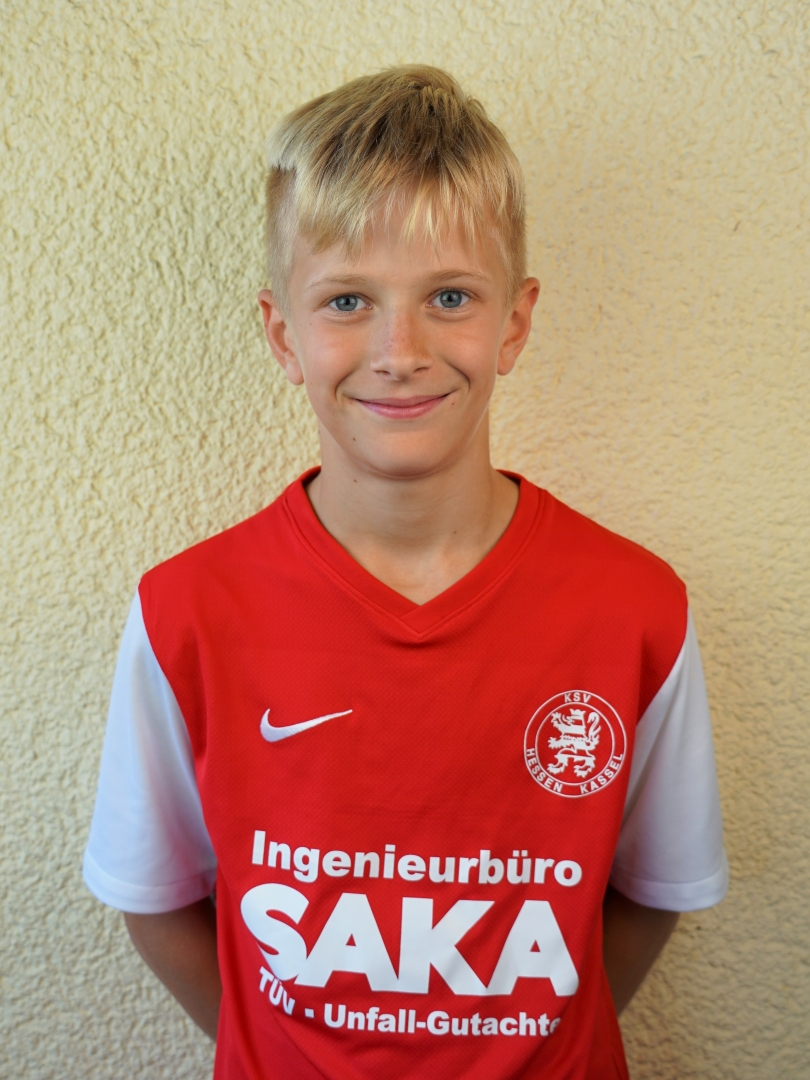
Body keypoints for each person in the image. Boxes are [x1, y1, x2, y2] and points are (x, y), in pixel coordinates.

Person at [83, 65, 727, 1080]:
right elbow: (155, 902)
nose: (400, 350)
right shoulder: (187, 612)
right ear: (283, 334)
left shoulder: (635, 609)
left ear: (514, 322)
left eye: (450, 297)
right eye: (347, 300)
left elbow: (652, 892)